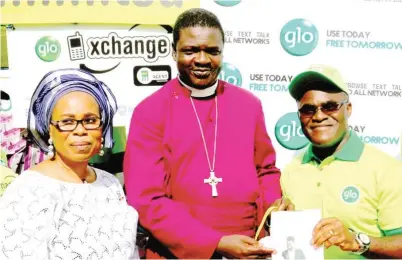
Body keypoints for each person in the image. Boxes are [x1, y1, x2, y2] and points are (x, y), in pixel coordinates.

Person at [123, 8, 292, 259]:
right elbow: (147, 200)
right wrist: (215, 242)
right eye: (191, 50)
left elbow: (265, 170)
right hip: (178, 252)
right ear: (174, 51)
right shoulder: (150, 111)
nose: (202, 60)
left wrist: (275, 206)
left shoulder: (248, 105)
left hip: (250, 246)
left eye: (212, 51)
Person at [0, 69, 139, 259]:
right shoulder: (28, 191)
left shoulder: (109, 184)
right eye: (67, 121)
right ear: (50, 129)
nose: (80, 130)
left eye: (90, 120)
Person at [281, 64, 402, 259]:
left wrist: (357, 241)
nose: (319, 116)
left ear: (348, 108)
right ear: (299, 116)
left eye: (329, 106)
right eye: (308, 109)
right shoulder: (291, 171)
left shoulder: (388, 170)